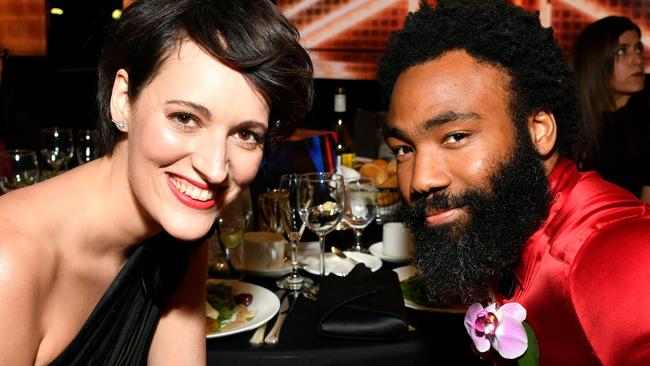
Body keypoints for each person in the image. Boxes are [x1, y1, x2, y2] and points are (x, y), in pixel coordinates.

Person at [0, 0, 312, 364]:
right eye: (185, 117)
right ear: (122, 102)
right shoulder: (11, 262)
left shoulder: (180, 230)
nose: (214, 169)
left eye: (245, 134)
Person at [377, 0, 650, 364]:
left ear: (538, 131)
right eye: (403, 149)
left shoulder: (617, 256)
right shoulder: (507, 222)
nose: (420, 180)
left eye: (455, 136)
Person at [572, 16, 650, 202]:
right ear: (596, 60)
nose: (637, 60)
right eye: (622, 51)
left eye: (638, 49)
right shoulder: (573, 116)